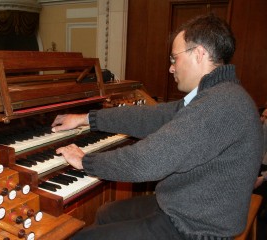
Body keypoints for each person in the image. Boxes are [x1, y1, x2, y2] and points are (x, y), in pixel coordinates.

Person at [52, 14, 263, 240]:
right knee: (106, 214)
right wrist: (86, 118)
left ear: (199, 54)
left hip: (196, 229)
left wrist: (86, 161)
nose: (171, 68)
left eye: (174, 59)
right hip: (186, 205)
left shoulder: (220, 104)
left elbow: (147, 161)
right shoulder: (218, 93)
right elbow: (153, 116)